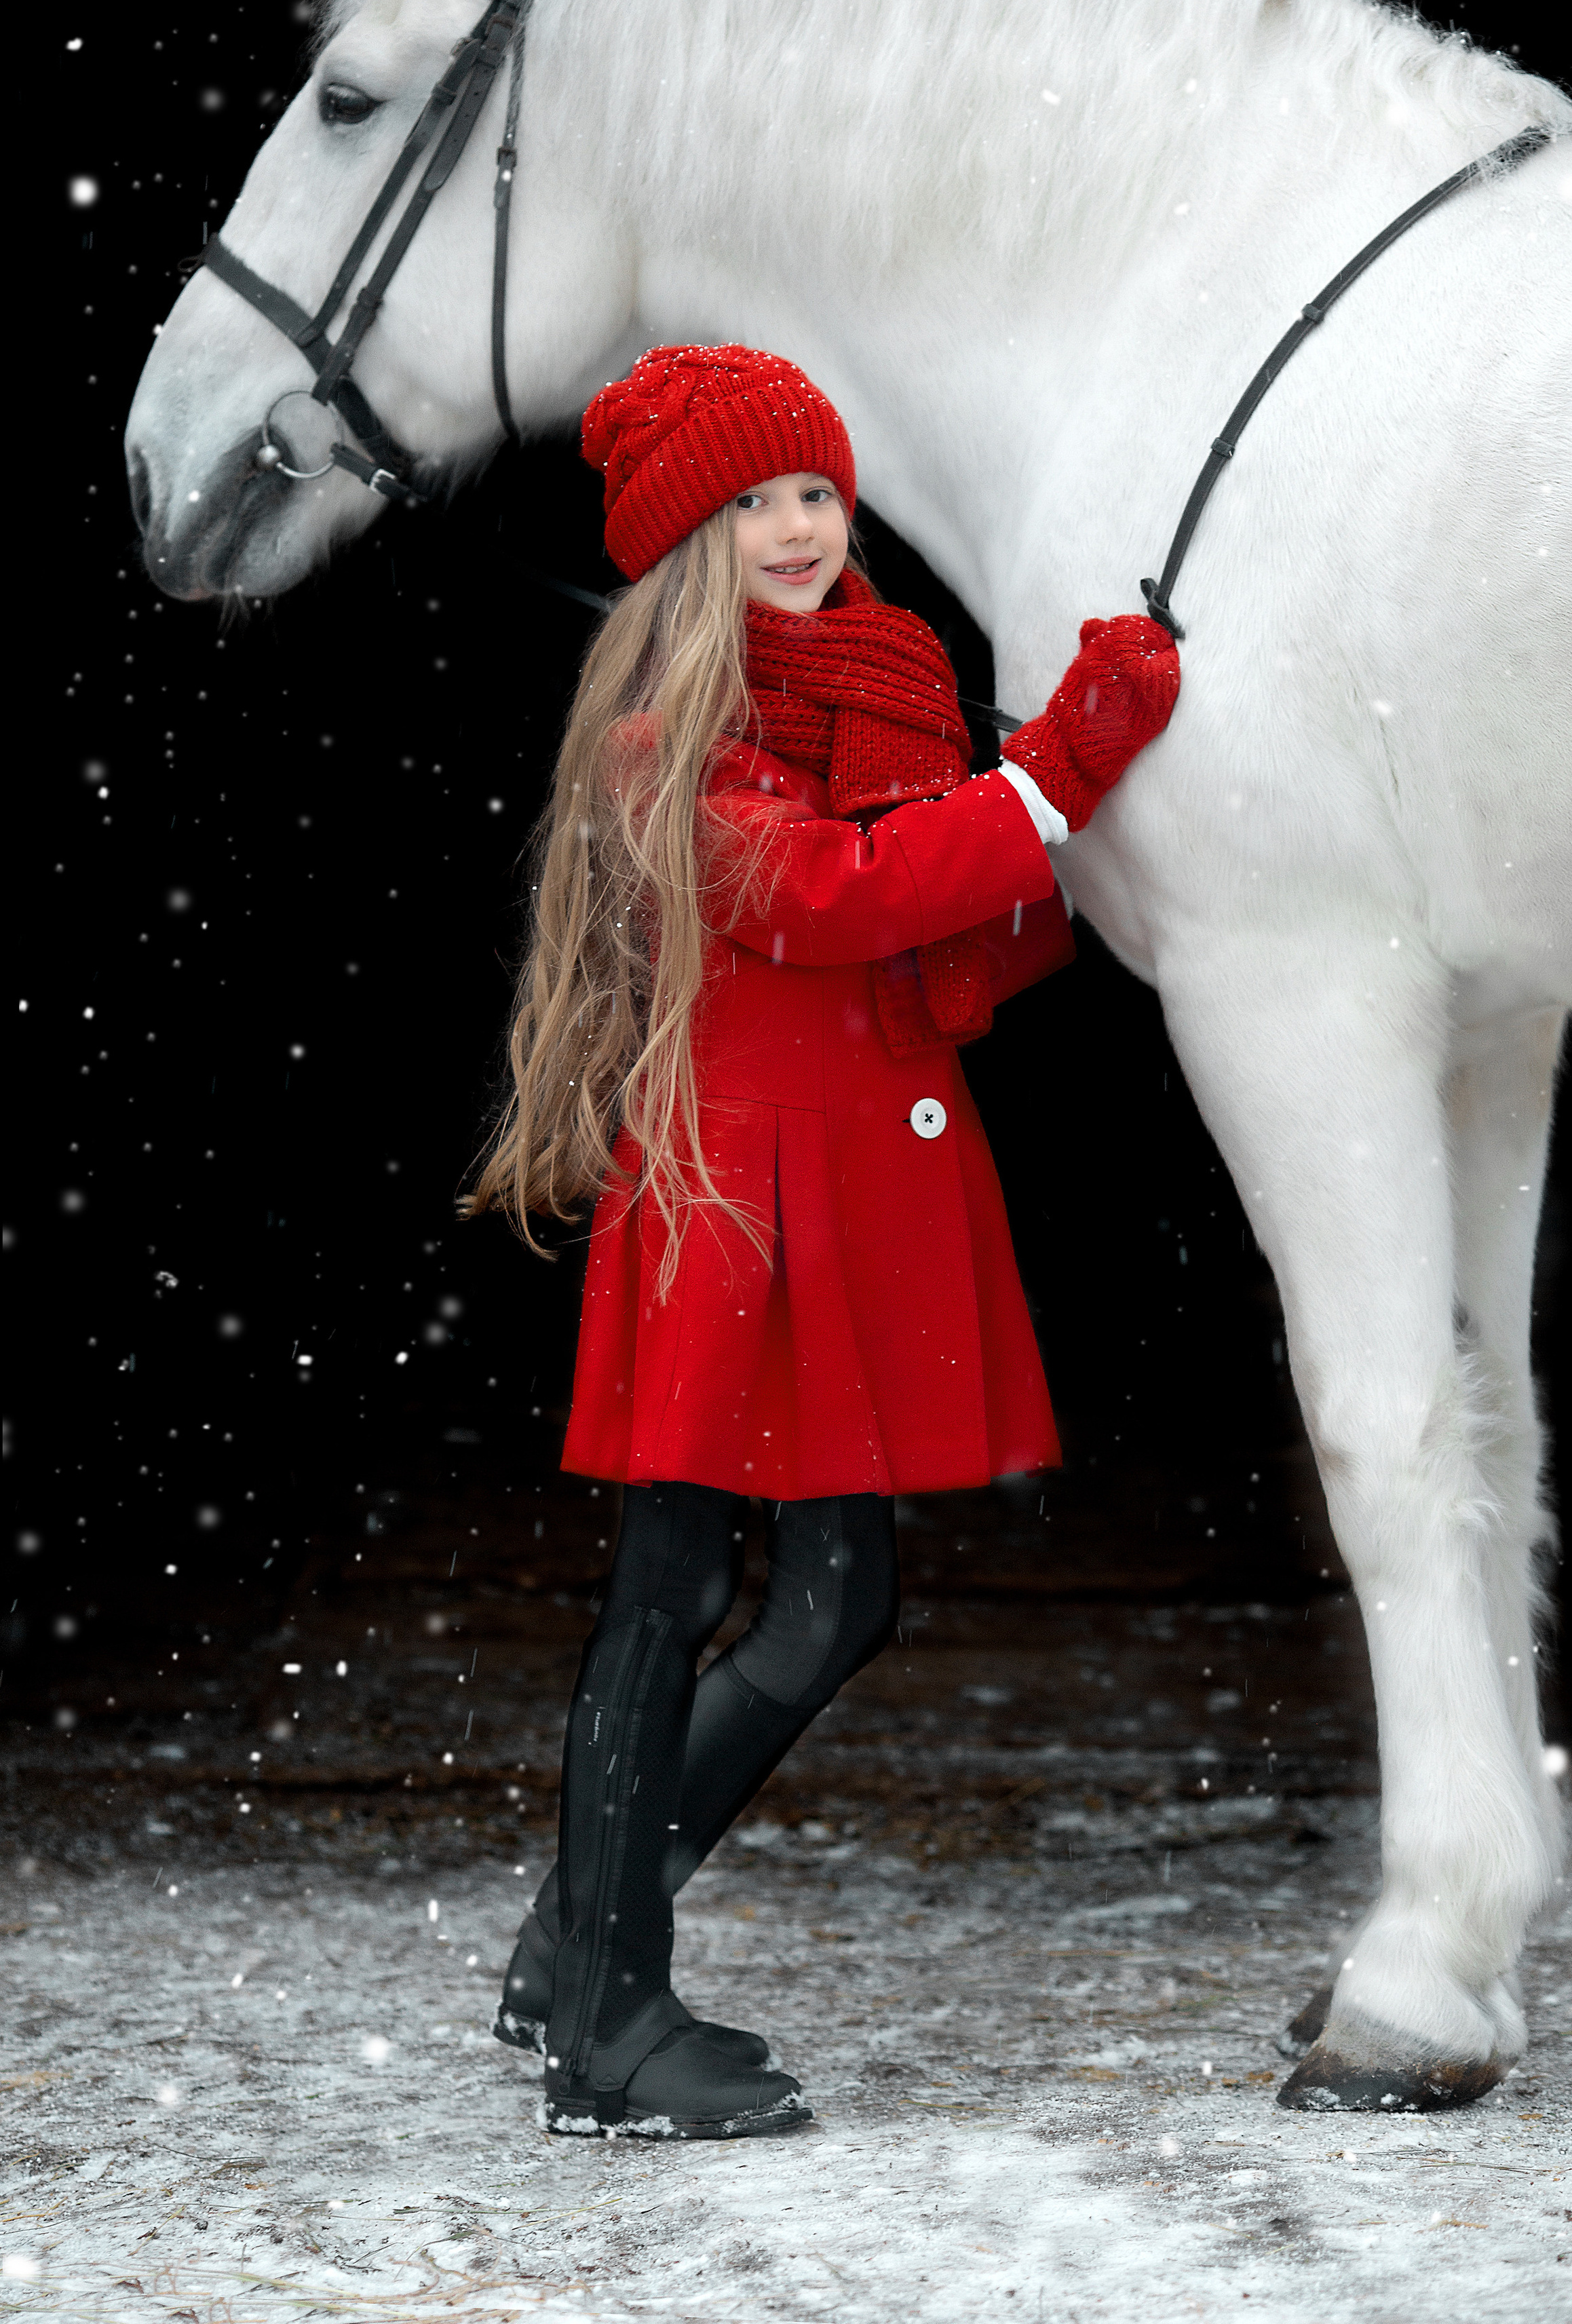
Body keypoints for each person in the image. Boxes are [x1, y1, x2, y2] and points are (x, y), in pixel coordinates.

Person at [467, 345, 1179, 2138]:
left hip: (847, 1199)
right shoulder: (666, 739)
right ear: (682, 543)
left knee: (842, 1602)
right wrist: (1055, 779)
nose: (796, 527)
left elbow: (951, 933)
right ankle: (613, 2021)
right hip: (734, 1205)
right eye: (751, 501)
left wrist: (1037, 825)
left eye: (813, 490)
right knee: (675, 1595)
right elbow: (833, 896)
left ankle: (578, 1933)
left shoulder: (883, 696)